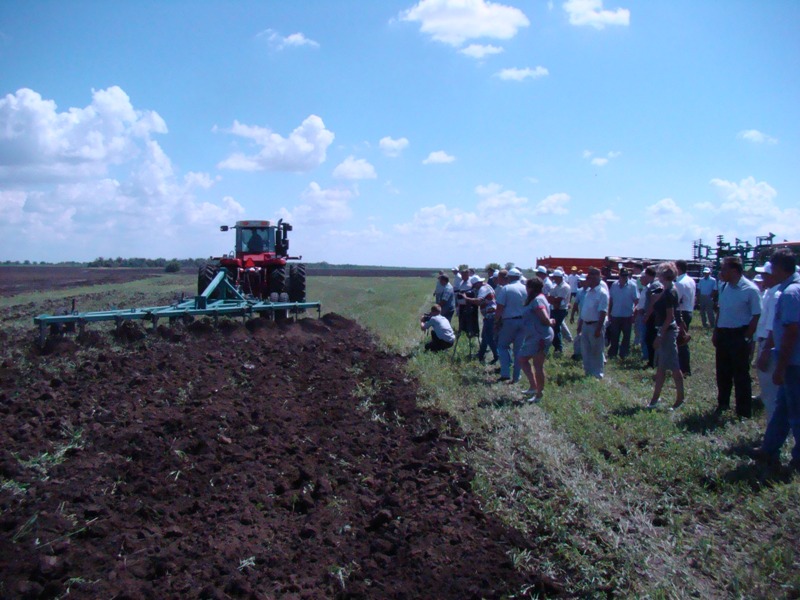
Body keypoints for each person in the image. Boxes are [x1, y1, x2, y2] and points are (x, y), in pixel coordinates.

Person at [755, 249, 800, 471]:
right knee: (783, 407)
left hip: (794, 363)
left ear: (781, 268)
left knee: (795, 411)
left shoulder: (790, 293)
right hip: (791, 361)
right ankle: (769, 448)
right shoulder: (788, 289)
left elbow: (792, 331)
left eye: (771, 266)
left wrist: (781, 366)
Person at [713, 256, 761, 418]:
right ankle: (723, 403)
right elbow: (721, 310)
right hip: (723, 334)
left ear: (734, 271)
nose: (721, 272)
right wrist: (716, 331)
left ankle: (743, 410)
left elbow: (756, 315)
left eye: (724, 269)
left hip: (739, 334)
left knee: (741, 374)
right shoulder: (724, 286)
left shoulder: (750, 289)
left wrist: (747, 338)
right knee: (722, 371)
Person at [646, 262, 686, 409]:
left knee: (674, 367)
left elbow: (669, 317)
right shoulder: (667, 289)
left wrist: (660, 335)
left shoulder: (670, 292)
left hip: (667, 332)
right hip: (665, 330)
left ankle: (680, 399)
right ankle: (655, 399)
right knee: (662, 368)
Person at [519, 277, 554, 402]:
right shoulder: (536, 299)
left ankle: (539, 394)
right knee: (522, 359)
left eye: (527, 287)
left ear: (531, 288)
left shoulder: (538, 300)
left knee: (537, 365)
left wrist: (549, 321)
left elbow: (544, 318)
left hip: (540, 336)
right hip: (533, 336)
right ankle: (533, 387)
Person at [754, 262, 781, 421]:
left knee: (771, 390)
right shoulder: (769, 292)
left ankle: (773, 427)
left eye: (765, 275)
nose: (762, 278)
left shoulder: (775, 295)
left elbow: (772, 327)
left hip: (768, 344)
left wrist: (765, 352)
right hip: (764, 341)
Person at [495, 268, 528, 383]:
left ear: (509, 277)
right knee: (518, 349)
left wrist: (496, 321)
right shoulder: (525, 289)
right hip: (524, 321)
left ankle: (505, 373)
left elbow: (499, 308)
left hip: (509, 321)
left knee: (502, 346)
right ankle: (516, 376)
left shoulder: (506, 288)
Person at [578, 267, 609, 379]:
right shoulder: (589, 292)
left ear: (596, 278)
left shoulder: (602, 293)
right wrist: (580, 324)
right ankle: (588, 372)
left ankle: (597, 374)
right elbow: (585, 310)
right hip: (586, 325)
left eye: (589, 278)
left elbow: (603, 312)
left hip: (595, 325)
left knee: (596, 350)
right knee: (585, 350)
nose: (587, 280)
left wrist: (598, 329)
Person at [464, 275, 499, 364]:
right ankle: (481, 354)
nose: (474, 287)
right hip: (490, 315)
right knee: (485, 337)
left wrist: (466, 298)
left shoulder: (483, 289)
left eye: (475, 285)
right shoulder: (488, 286)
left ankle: (496, 356)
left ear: (477, 283)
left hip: (490, 315)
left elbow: (478, 301)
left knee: (490, 338)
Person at [607, 268, 639, 359]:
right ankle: (612, 353)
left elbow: (636, 301)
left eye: (626, 275)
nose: (624, 277)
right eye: (623, 275)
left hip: (627, 316)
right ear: (619, 275)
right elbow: (611, 300)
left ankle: (623, 354)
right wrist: (609, 313)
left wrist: (634, 314)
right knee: (614, 336)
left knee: (626, 337)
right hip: (615, 315)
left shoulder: (633, 285)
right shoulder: (614, 285)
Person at [674, 259, 696, 376]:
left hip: (681, 312)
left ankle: (683, 368)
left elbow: (676, 300)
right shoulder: (691, 280)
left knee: (680, 341)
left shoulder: (679, 283)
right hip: (689, 310)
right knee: (682, 340)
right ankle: (684, 368)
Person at [640, 266, 664, 368]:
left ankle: (652, 362)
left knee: (650, 339)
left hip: (653, 317)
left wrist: (647, 315)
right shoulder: (655, 284)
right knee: (650, 338)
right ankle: (653, 361)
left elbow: (653, 303)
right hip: (654, 316)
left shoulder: (654, 285)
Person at [547, 269, 571, 353]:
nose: (553, 279)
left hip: (561, 310)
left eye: (555, 277)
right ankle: (556, 346)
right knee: (554, 327)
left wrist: (552, 299)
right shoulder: (556, 286)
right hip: (555, 309)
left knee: (556, 328)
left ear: (559, 277)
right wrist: (553, 299)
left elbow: (558, 300)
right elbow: (550, 298)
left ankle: (558, 347)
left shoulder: (565, 287)